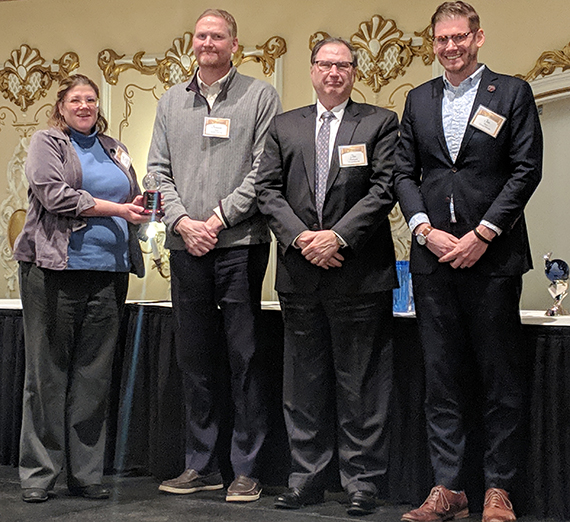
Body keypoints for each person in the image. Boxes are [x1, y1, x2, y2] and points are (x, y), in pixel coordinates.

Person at [393, 3, 542, 522]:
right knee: (442, 379)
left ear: (478, 38)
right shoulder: (418, 99)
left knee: (499, 378)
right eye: (441, 39)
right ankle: (449, 488)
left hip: (492, 259)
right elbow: (403, 174)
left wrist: (483, 233)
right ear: (432, 43)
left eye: (460, 37)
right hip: (433, 259)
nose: (450, 47)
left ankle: (498, 490)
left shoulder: (514, 92)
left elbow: (525, 170)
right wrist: (423, 230)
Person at [255, 37, 398, 516]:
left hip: (359, 273)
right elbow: (267, 191)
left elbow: (383, 189)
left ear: (354, 72)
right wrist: (302, 239)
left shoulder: (379, 122)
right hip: (300, 274)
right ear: (312, 70)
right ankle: (306, 478)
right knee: (303, 385)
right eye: (325, 64)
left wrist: (336, 237)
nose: (333, 72)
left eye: (343, 65)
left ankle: (362, 482)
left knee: (361, 385)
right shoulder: (283, 125)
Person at [147, 9, 281, 502]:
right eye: (201, 35)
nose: (208, 42)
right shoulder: (169, 102)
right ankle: (200, 465)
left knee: (245, 358)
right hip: (186, 246)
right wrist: (182, 222)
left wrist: (218, 219)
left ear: (234, 44)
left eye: (217, 35)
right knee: (195, 359)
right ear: (193, 42)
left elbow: (264, 171)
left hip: (240, 247)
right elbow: (156, 172)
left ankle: (246, 469)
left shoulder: (261, 95)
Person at [14, 74, 149, 503]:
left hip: (110, 273)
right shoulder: (48, 143)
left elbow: (135, 196)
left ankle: (86, 474)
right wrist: (117, 210)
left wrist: (146, 209)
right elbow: (56, 196)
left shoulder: (116, 150)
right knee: (47, 375)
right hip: (54, 271)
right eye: (77, 99)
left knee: (94, 378)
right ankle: (39, 476)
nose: (85, 106)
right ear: (62, 105)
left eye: (91, 99)